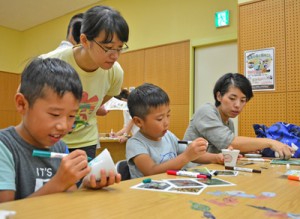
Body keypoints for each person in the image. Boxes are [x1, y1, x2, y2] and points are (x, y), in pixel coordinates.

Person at [0, 58, 121, 203]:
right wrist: (59, 183)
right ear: (22, 104)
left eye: (71, 116)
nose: (64, 126)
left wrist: (86, 186)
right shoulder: (5, 147)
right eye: (55, 114)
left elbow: (67, 200)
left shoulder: (60, 147)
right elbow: (5, 211)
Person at [41, 5, 129, 158]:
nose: (115, 56)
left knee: (85, 182)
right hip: (49, 139)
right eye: (108, 47)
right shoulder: (52, 62)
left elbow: (99, 103)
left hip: (85, 142)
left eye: (120, 48)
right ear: (85, 40)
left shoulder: (115, 72)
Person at [183, 73, 293, 160]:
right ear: (219, 96)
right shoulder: (206, 111)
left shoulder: (229, 122)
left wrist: (245, 150)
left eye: (243, 100)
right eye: (232, 98)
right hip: (191, 171)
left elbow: (227, 148)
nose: (237, 105)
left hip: (213, 169)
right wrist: (270, 142)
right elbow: (230, 142)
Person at [126, 83, 224, 179]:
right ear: (138, 122)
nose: (166, 122)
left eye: (168, 115)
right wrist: (186, 156)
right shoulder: (135, 143)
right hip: (146, 191)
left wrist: (217, 158)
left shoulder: (168, 136)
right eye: (160, 119)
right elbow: (151, 171)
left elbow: (193, 155)